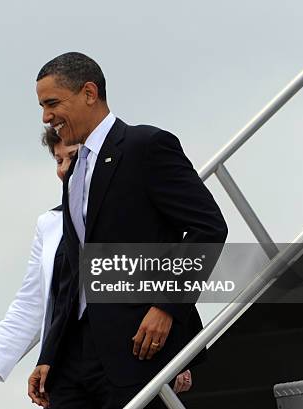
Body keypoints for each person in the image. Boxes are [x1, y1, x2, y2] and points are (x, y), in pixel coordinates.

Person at [28, 52, 227, 409]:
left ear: (89, 93)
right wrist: (49, 352)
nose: (46, 117)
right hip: (74, 359)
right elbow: (72, 272)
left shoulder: (146, 146)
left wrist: (167, 306)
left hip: (135, 346)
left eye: (53, 103)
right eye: (42, 106)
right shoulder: (74, 174)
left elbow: (208, 228)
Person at [0, 128, 193, 404]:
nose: (64, 170)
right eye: (58, 161)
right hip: (67, 363)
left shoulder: (130, 208)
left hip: (129, 353)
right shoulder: (49, 224)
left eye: (72, 157)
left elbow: (164, 265)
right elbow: (31, 303)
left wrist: (176, 349)